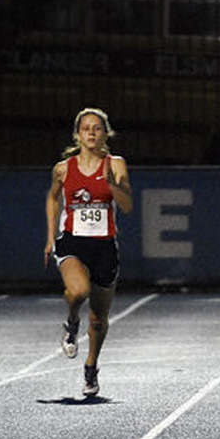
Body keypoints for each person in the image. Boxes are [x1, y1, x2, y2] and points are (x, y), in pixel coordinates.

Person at [46, 108, 133, 397]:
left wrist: (110, 184)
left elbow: (128, 206)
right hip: (73, 241)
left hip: (104, 246)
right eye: (86, 128)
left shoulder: (116, 164)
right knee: (78, 291)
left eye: (97, 128)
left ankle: (91, 366)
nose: (92, 132)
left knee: (98, 319)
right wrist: (50, 237)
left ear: (106, 134)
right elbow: (52, 198)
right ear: (78, 134)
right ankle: (72, 323)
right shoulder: (63, 168)